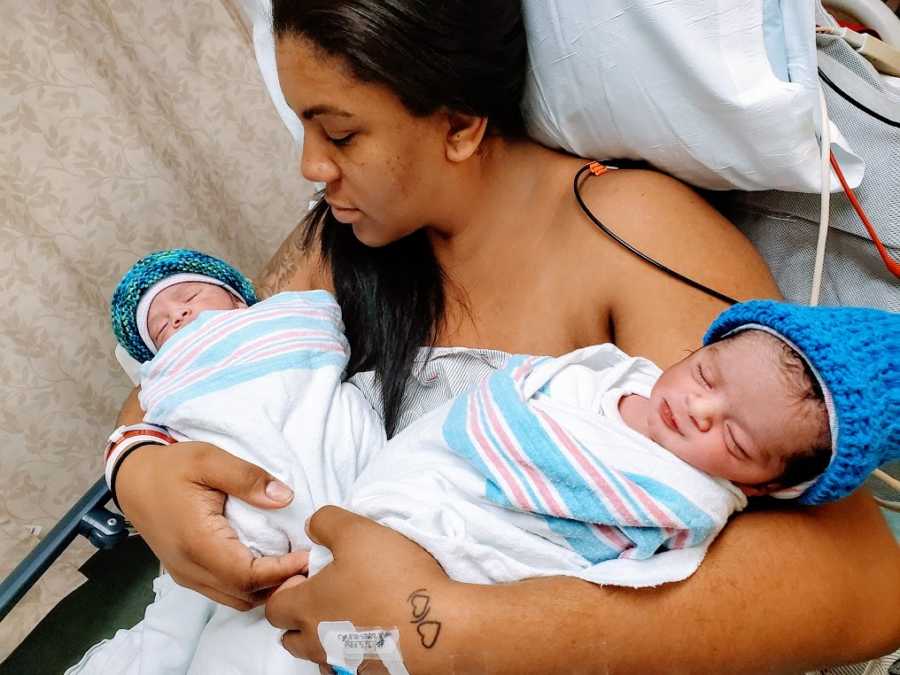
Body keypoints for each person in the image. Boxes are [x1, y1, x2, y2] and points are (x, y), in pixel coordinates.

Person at [109, 1, 900, 673]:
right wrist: (139, 468)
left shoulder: (629, 233)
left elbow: (867, 581)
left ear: (457, 125)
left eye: (340, 133)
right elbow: (205, 369)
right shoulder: (341, 240)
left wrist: (449, 627)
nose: (310, 165)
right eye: (304, 126)